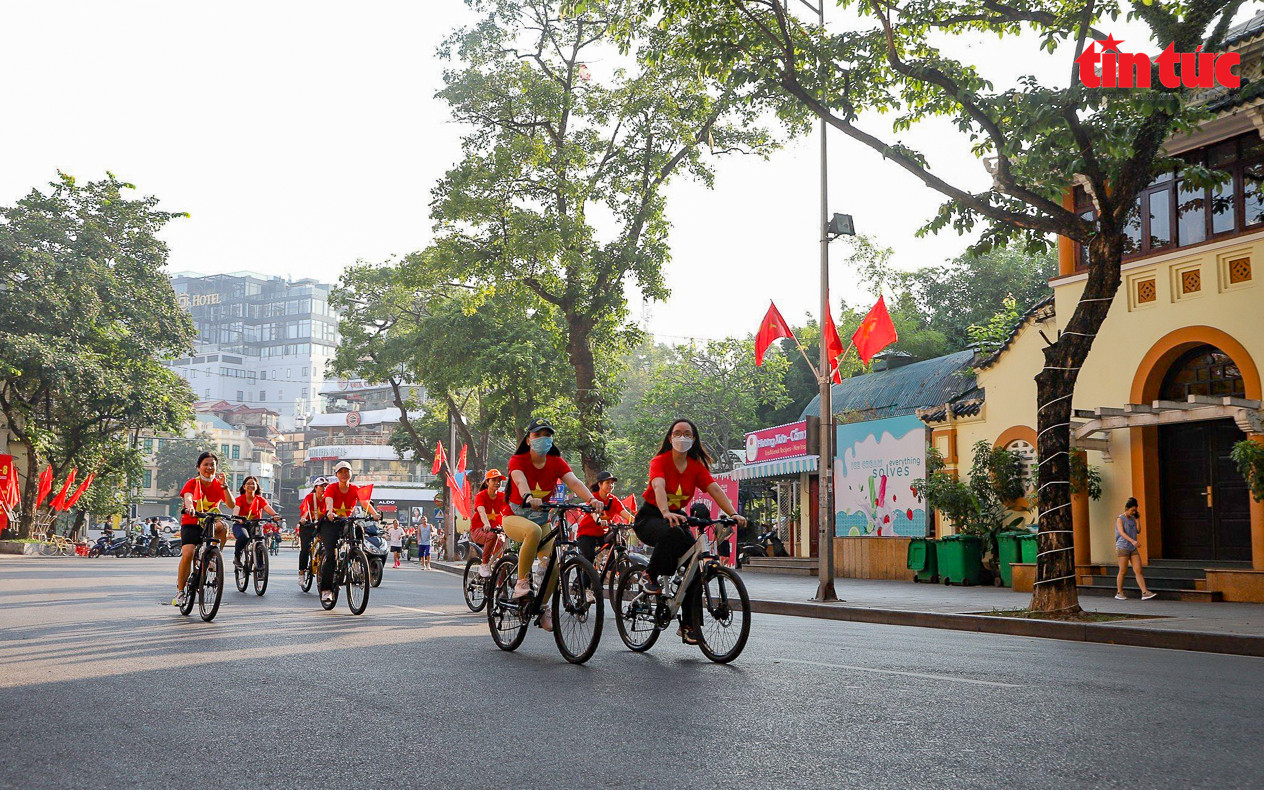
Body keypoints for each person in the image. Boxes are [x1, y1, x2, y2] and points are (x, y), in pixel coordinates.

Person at [634, 418, 744, 644]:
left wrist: (733, 513)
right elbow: (658, 486)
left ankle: (688, 625)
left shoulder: (696, 467)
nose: (682, 437)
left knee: (695, 567)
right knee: (670, 532)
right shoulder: (660, 461)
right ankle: (650, 574)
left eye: (687, 434)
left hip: (676, 518)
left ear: (694, 440)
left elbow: (714, 489)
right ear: (670, 437)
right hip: (652, 516)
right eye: (677, 433)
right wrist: (665, 511)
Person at [503, 417, 604, 631]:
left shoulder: (556, 462)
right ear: (528, 440)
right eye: (537, 435)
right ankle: (522, 583)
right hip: (514, 516)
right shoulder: (518, 460)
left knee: (554, 563)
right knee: (533, 531)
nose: (543, 439)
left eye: (547, 435)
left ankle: (542, 607)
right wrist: (529, 497)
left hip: (543, 519)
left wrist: (592, 500)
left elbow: (574, 482)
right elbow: (520, 480)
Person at [174, 452, 234, 608]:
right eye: (206, 464)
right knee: (188, 553)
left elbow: (231, 504)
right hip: (191, 522)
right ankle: (180, 591)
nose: (209, 467)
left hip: (210, 523)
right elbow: (188, 497)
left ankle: (214, 556)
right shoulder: (193, 483)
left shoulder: (219, 484)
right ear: (199, 467)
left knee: (223, 526)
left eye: (212, 464)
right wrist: (190, 508)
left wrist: (225, 486)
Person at [320, 461, 381, 605]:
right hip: (330, 523)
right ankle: (326, 590)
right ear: (336, 475)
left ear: (351, 474)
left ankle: (356, 557)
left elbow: (364, 503)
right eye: (341, 472)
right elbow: (328, 501)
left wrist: (375, 514)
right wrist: (329, 512)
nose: (344, 474)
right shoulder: (331, 488)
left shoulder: (354, 489)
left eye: (346, 472)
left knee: (359, 531)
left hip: (347, 521)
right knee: (331, 556)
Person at [574, 471, 627, 602]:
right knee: (589, 558)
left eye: (612, 483)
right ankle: (586, 589)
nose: (610, 485)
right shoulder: (593, 497)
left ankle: (610, 570)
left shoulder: (613, 500)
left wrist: (637, 522)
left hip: (602, 535)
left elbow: (625, 513)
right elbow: (593, 513)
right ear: (600, 484)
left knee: (621, 541)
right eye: (607, 483)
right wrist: (598, 520)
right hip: (586, 534)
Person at [231, 475, 278, 571]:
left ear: (256, 486)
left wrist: (275, 515)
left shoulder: (260, 499)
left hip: (255, 524)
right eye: (248, 484)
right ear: (244, 486)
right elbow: (236, 509)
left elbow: (267, 507)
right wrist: (237, 518)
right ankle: (237, 557)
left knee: (259, 541)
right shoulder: (240, 499)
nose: (251, 485)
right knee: (244, 537)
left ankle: (260, 568)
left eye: (253, 483)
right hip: (241, 525)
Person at [1115, 497, 1158, 600]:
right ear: (1127, 508)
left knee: (1138, 569)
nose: (1134, 512)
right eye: (1132, 510)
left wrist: (1138, 520)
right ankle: (1119, 592)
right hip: (1123, 547)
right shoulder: (1120, 518)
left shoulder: (1133, 519)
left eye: (1135, 510)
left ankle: (1144, 592)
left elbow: (1138, 531)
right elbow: (1121, 532)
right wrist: (1133, 541)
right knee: (1123, 570)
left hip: (1132, 548)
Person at [471, 469, 511, 578]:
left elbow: (510, 511)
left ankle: (501, 589)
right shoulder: (481, 496)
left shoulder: (503, 496)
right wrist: (486, 523)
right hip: (480, 529)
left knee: (501, 558)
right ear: (487, 482)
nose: (497, 482)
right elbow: (481, 511)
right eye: (494, 480)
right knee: (492, 536)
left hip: (497, 531)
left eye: (499, 480)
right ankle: (484, 564)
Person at [297, 478, 329, 586]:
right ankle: (301, 573)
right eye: (321, 486)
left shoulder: (328, 498)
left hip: (322, 525)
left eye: (325, 486)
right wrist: (303, 519)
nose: (324, 488)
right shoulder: (310, 497)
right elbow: (305, 509)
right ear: (316, 488)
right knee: (305, 548)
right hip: (308, 525)